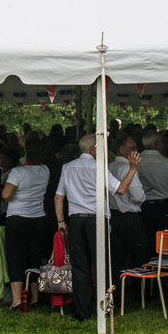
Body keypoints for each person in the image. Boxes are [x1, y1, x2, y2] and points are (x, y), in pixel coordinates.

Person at [53, 133, 142, 322]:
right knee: (102, 264)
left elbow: (58, 197)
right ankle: (105, 306)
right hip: (97, 219)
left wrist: (61, 222)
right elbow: (120, 189)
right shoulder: (99, 167)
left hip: (76, 220)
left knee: (80, 267)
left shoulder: (67, 168)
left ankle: (82, 311)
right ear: (93, 149)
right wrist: (133, 169)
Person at [1, 141, 54, 309]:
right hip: (38, 218)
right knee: (34, 258)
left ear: (25, 154)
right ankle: (35, 297)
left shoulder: (18, 172)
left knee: (15, 258)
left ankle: (17, 299)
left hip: (17, 217)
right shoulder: (45, 170)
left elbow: (6, 194)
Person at [107, 135, 151, 271]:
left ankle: (117, 291)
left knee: (116, 259)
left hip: (113, 215)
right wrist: (144, 196)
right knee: (140, 257)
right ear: (121, 149)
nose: (136, 151)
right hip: (129, 217)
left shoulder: (109, 166)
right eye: (132, 148)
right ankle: (140, 291)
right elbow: (138, 195)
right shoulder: (127, 167)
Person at [136, 131, 168, 234]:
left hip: (145, 206)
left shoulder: (138, 161)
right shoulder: (166, 162)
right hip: (164, 206)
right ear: (156, 144)